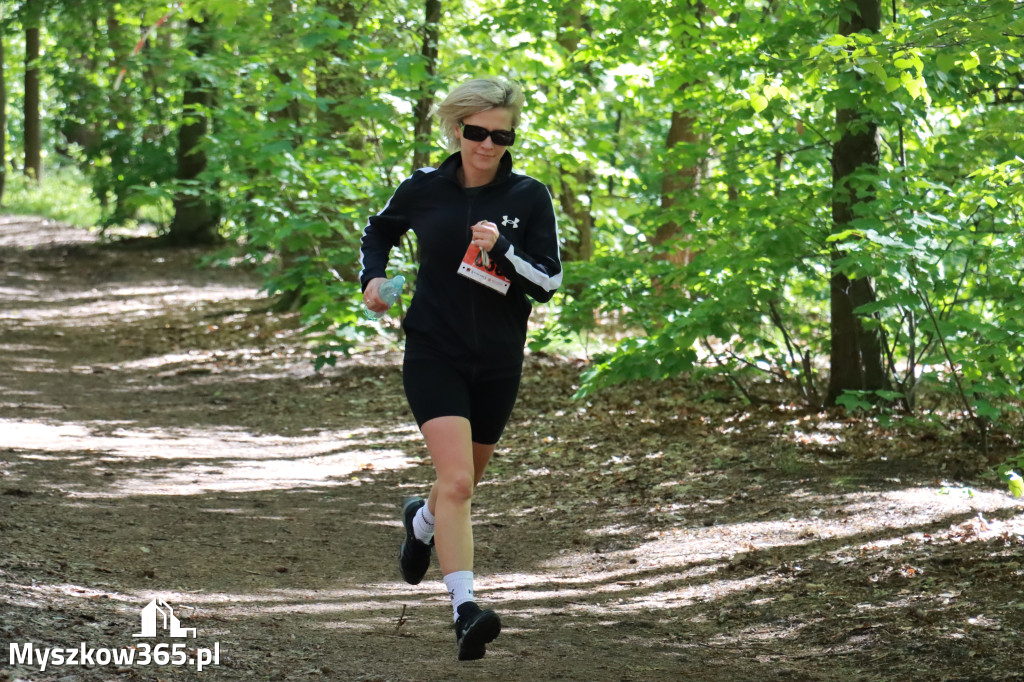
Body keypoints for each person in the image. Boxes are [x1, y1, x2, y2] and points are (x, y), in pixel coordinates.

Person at [359, 76, 562, 661]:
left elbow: (548, 282)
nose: (487, 144)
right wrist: (373, 278)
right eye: (477, 132)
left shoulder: (530, 196)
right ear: (457, 129)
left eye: (501, 135)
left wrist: (502, 251)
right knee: (460, 484)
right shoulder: (424, 187)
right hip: (434, 350)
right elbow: (380, 230)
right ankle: (465, 609)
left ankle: (421, 524)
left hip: (498, 361)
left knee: (457, 485)